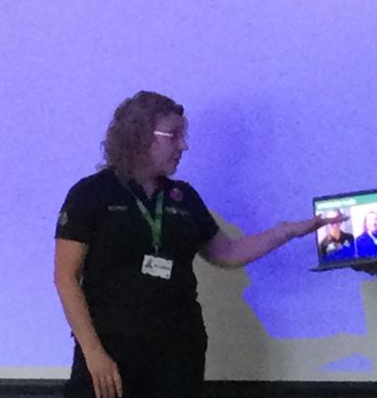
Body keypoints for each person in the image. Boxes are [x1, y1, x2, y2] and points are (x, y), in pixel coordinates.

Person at [54, 91, 339, 398]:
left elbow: (226, 253)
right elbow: (66, 277)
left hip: (176, 351)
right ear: (138, 135)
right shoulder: (91, 194)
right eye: (173, 136)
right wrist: (93, 352)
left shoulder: (183, 197)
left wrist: (287, 231)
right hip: (110, 351)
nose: (184, 146)